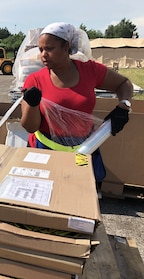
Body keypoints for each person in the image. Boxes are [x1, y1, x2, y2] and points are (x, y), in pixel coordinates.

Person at [20, 22, 133, 195]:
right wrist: (33, 104)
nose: (43, 55)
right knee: (46, 196)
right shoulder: (35, 81)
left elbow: (123, 83)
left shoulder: (90, 71)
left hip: (83, 151)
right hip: (46, 151)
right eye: (41, 49)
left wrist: (124, 105)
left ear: (66, 46)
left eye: (49, 48)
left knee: (79, 195)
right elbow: (29, 126)